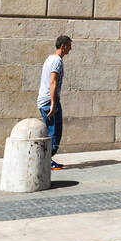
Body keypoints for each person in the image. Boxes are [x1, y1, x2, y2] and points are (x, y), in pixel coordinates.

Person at [37, 35, 72, 170]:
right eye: (69, 46)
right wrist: (53, 103)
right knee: (54, 133)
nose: (70, 49)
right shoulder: (57, 61)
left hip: (45, 100)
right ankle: (46, 161)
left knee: (52, 131)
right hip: (49, 101)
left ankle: (45, 160)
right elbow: (53, 82)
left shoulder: (49, 58)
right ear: (63, 46)